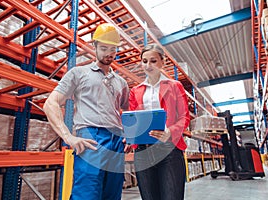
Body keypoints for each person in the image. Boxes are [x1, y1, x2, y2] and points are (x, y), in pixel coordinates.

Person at [43, 23, 130, 200]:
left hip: (117, 142)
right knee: (86, 194)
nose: (108, 53)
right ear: (95, 46)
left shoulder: (121, 83)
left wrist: (130, 135)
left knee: (112, 195)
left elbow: (129, 113)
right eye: (104, 48)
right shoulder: (78, 73)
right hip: (91, 138)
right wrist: (68, 137)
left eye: (112, 49)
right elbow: (50, 103)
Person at [129, 44, 190, 200]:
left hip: (169, 150)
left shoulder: (175, 86)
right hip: (143, 152)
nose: (148, 66)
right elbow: (133, 120)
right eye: (144, 61)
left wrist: (170, 132)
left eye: (153, 61)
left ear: (162, 62)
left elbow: (185, 117)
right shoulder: (135, 91)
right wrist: (129, 135)